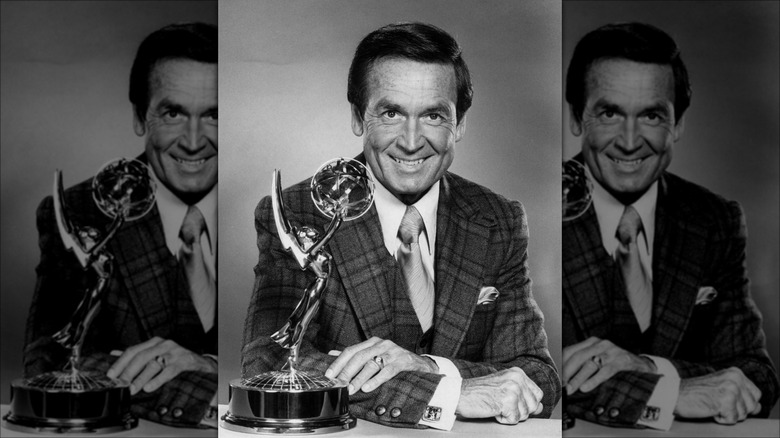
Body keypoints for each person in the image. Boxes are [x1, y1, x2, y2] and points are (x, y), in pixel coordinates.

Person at [242, 22, 560, 430]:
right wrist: (447, 394)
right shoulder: (297, 212)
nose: (411, 141)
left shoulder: (499, 220)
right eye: (391, 113)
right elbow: (269, 361)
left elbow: (536, 376)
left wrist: (425, 365)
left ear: (459, 124)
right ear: (359, 117)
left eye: (433, 115)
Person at [562, 22, 779, 429]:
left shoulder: (715, 220)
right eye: (609, 112)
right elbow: (544, 375)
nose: (629, 141)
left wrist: (646, 366)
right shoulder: (532, 212)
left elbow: (754, 374)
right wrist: (669, 393)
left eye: (651, 115)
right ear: (577, 117)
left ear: (677, 124)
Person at [24, 22, 219, 428]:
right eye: (172, 112)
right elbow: (52, 360)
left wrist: (212, 365)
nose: (194, 140)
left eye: (216, 115)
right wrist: (212, 392)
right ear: (139, 116)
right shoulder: (78, 212)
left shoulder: (273, 212)